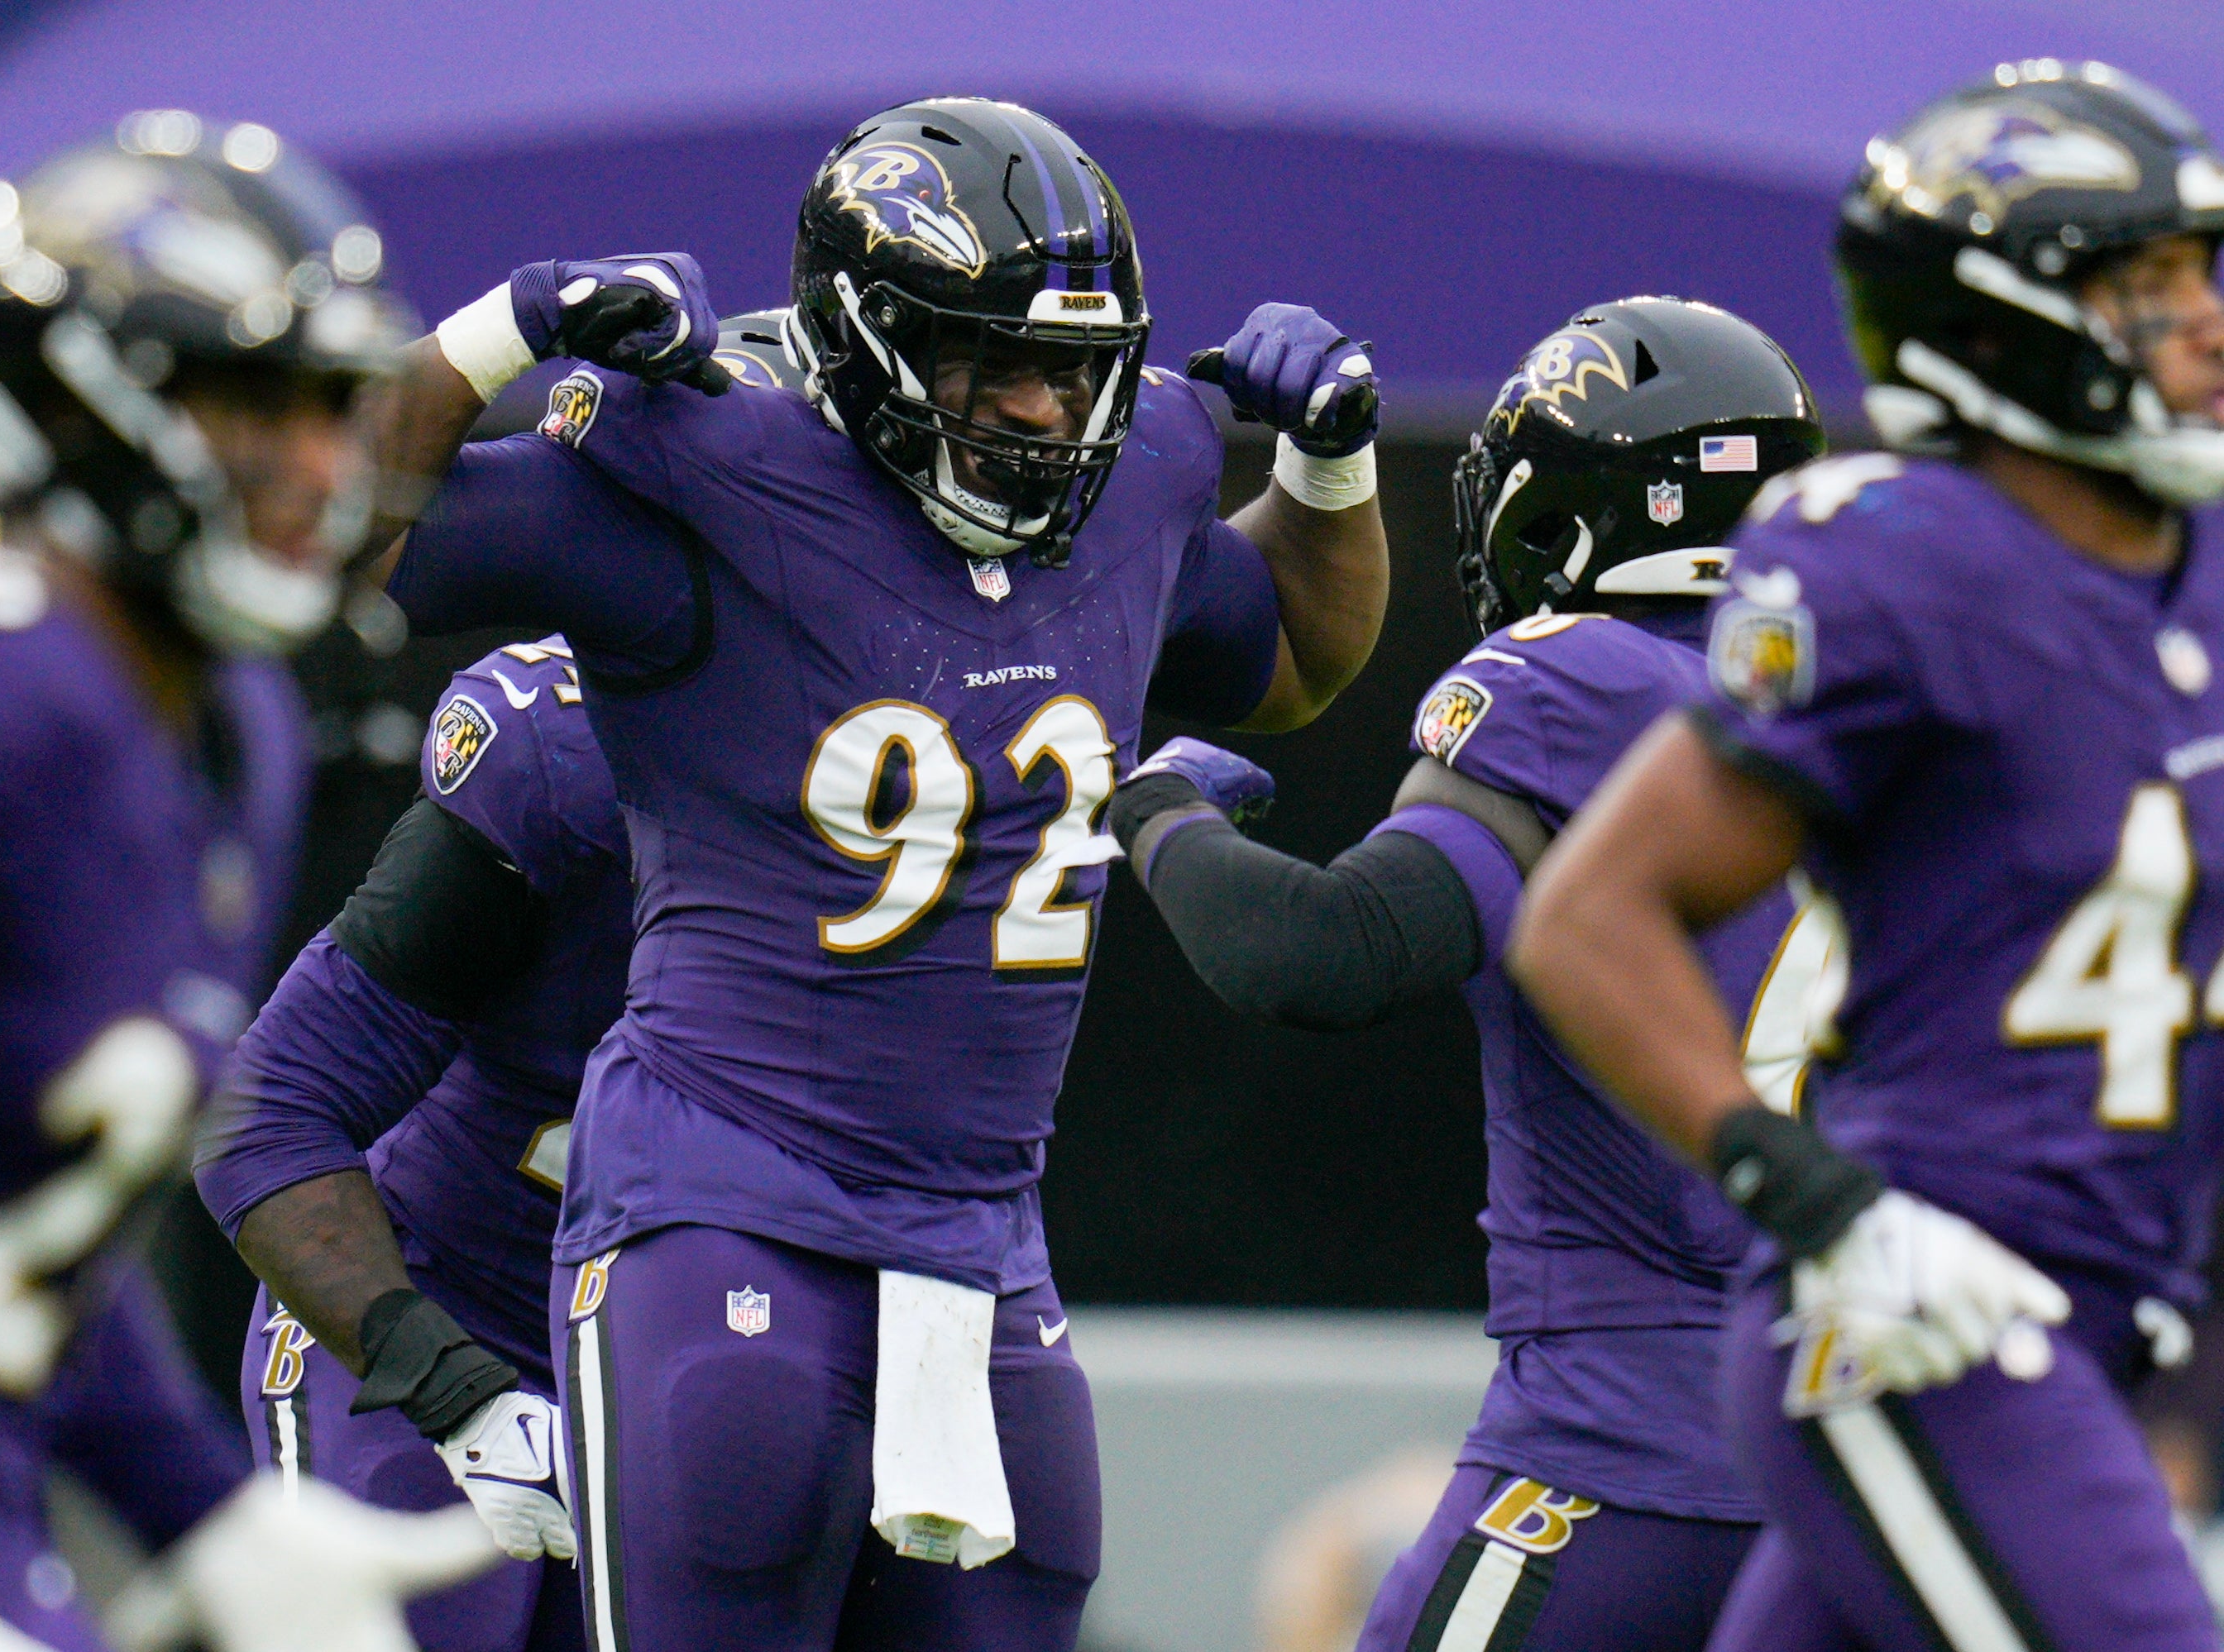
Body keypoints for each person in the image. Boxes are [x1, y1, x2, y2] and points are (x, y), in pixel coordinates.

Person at [356, 96, 1389, 1650]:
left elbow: (1295, 661)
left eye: (1073, 368)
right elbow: (331, 531)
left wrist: (1328, 468)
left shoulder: (1146, 477)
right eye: (994, 362)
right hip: (725, 1205)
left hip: (981, 1238)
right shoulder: (709, 472)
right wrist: (491, 336)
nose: (1043, 413)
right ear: (862, 338)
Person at [0, 114, 495, 1652]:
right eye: (245, 403)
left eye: (325, 407)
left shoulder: (232, 729)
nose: (306, 463)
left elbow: (27, 1243)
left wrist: (206, 1515)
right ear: (75, 403)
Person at [1505, 63, 2224, 1650]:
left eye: (2198, 275)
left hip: (2118, 1315)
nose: (2204, 321)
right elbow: (1587, 915)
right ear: (1994, 325)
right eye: (2144, 285)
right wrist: (1817, 1203)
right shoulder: (1906, 563)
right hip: (1921, 1309)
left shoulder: (2198, 567)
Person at [1102, 298, 1825, 1650]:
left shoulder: (1579, 684)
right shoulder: (1908, 703)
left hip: (1619, 1468)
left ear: (1557, 519)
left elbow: (1321, 952)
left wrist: (1156, 812)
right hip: (1866, 1476)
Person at [192, 317, 801, 1652]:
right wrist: (449, 1383)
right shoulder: (561, 766)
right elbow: (266, 1110)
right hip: (442, 1313)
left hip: (703, 1340)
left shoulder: (939, 765)